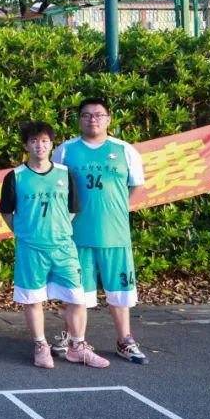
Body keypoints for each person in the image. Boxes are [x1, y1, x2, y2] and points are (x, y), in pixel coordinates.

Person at [0, 121, 110, 369]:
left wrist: (57, 230)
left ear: (51, 144)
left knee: (77, 298)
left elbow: (72, 209)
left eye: (45, 141)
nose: (40, 146)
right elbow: (7, 212)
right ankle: (40, 346)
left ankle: (77, 347)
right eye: (34, 141)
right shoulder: (15, 176)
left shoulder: (64, 173)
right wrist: (25, 233)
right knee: (33, 299)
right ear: (26, 145)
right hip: (31, 248)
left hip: (63, 248)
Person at [52, 97, 147, 364]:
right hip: (76, 235)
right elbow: (54, 185)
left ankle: (125, 340)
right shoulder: (65, 151)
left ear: (108, 119)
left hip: (115, 235)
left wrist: (116, 209)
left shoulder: (125, 150)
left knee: (120, 291)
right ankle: (73, 339)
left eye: (98, 115)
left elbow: (136, 186)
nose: (92, 119)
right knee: (75, 292)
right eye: (86, 115)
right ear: (79, 120)